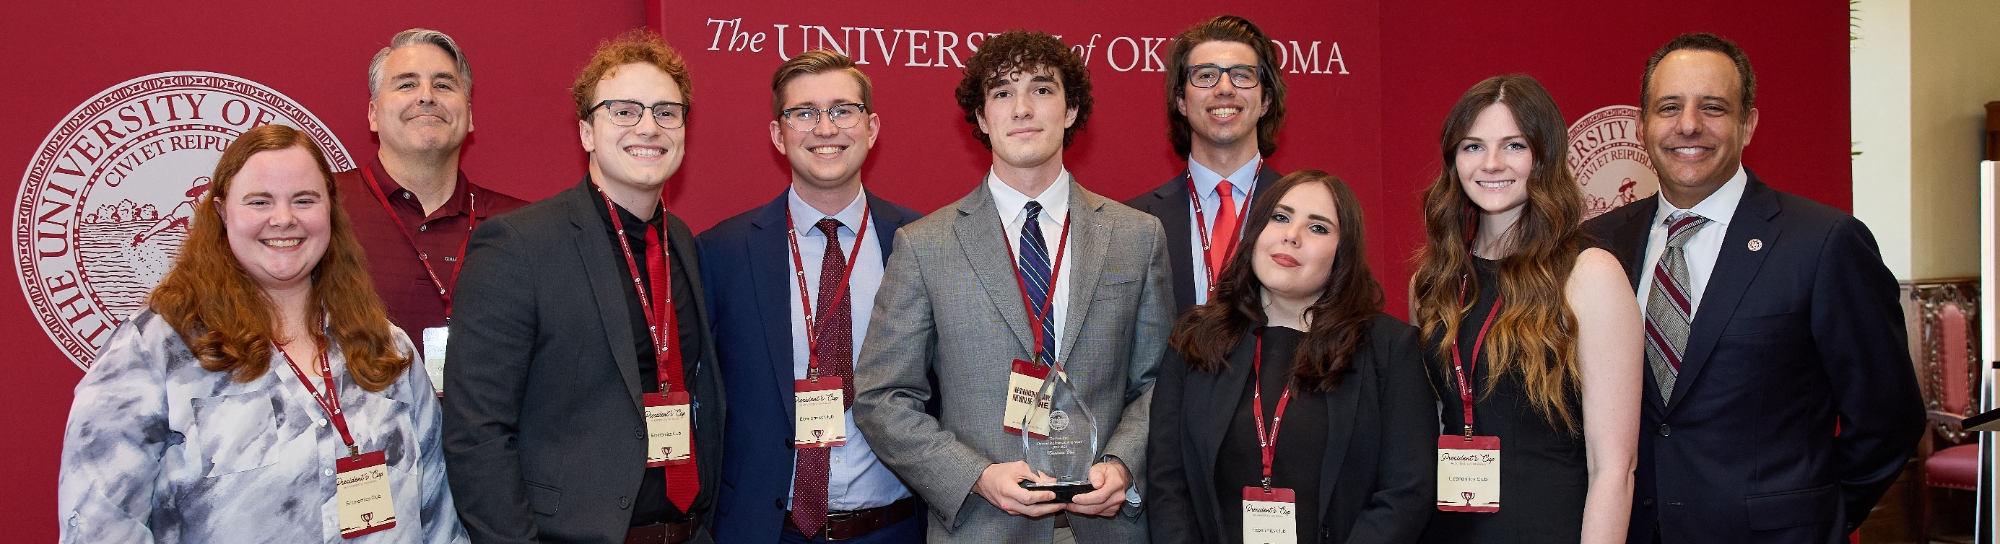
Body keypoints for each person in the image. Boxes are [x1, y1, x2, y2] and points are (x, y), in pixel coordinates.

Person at [1580, 33, 1923, 543]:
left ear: (1749, 124)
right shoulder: (1597, 246)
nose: (1688, 125)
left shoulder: (1824, 243)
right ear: (1642, 124)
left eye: (1713, 107)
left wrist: (1814, 516)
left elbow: (1888, 419)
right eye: (1669, 107)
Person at [57, 123, 464, 543]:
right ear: (221, 212)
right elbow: (96, 527)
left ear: (330, 212)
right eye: (259, 201)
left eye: (304, 200)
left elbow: (437, 519)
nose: (283, 219)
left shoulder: (387, 348)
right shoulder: (155, 350)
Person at [852, 30, 1170, 542]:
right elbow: (881, 395)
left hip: (1105, 525)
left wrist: (1124, 462)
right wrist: (974, 476)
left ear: (1070, 111)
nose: (1022, 108)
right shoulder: (925, 245)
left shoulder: (1136, 236)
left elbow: (1158, 381)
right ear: (981, 118)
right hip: (985, 525)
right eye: (1002, 93)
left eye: (1042, 89)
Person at [443, 30, 724, 544]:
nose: (648, 126)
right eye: (623, 111)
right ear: (586, 132)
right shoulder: (517, 245)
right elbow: (476, 435)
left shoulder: (680, 239)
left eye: (666, 111)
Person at [698, 50, 925, 543]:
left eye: (843, 110)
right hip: (764, 530)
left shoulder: (924, 243)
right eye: (803, 113)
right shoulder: (721, 252)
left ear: (872, 127)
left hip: (896, 529)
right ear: (779, 135)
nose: (825, 129)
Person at [1409, 74, 1641, 544]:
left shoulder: (1590, 275)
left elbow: (1615, 467)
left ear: (1545, 156)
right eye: (1473, 147)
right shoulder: (1431, 284)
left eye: (1514, 145)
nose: (1491, 164)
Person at [1148, 169, 1434, 543]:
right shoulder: (1196, 338)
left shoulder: (1389, 349)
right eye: (1280, 217)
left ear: (1341, 254)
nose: (1291, 235)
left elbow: (1406, 492)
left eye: (1318, 228)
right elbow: (1167, 484)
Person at [335, 28, 528, 378]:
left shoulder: (525, 225)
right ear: (373, 114)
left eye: (443, 85)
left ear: (469, 116)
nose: (426, 97)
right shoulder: (323, 210)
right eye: (406, 84)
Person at [1126, 15, 1287, 316]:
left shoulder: (1308, 215)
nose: (1224, 88)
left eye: (1241, 75)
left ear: (1265, 99)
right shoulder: (1131, 222)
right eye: (1205, 76)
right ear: (1181, 101)